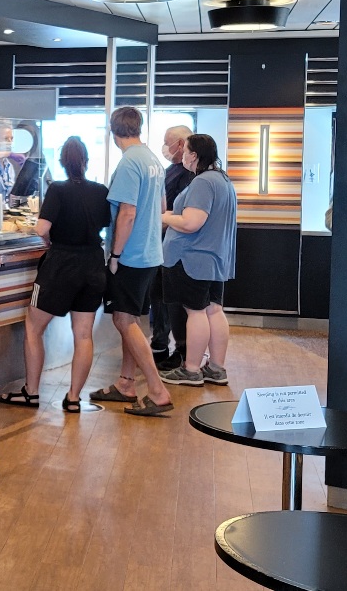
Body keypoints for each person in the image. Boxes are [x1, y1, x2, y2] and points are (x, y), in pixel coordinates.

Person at [4, 137, 109, 413]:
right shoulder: (100, 191)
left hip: (60, 265)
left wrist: (49, 239)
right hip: (93, 264)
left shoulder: (57, 190)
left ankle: (31, 392)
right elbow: (104, 224)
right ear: (86, 161)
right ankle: (74, 398)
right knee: (84, 335)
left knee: (34, 327)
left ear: (62, 162)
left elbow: (40, 229)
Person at [88, 107, 174, 417]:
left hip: (132, 255)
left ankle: (157, 390)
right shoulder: (152, 159)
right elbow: (162, 206)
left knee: (123, 320)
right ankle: (126, 383)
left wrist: (115, 255)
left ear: (113, 133)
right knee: (132, 319)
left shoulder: (128, 163)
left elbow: (127, 213)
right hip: (151, 252)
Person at [158, 134, 238, 387]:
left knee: (196, 312)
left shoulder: (203, 182)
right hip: (213, 258)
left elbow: (192, 223)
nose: (181, 155)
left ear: (194, 155)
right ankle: (216, 368)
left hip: (192, 258)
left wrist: (162, 217)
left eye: (186, 151)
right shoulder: (223, 180)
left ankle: (191, 369)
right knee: (214, 310)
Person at [150, 125, 195, 372]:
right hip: (162, 245)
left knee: (175, 303)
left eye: (168, 142)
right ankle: (160, 346)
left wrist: (163, 220)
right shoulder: (170, 171)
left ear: (180, 144)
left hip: (177, 249)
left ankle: (182, 351)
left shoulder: (190, 177)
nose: (165, 148)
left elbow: (181, 215)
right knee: (159, 297)